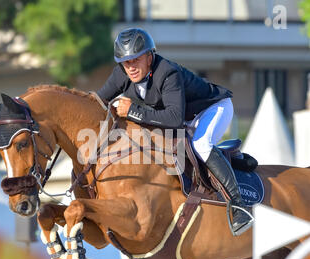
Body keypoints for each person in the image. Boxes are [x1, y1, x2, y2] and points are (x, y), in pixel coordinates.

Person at [97, 28, 253, 236]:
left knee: (200, 145)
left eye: (136, 59)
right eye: (126, 62)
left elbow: (174, 119)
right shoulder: (121, 74)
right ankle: (231, 162)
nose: (131, 67)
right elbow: (97, 101)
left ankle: (239, 206)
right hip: (185, 117)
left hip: (213, 108)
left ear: (149, 56)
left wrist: (132, 110)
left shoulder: (167, 72)